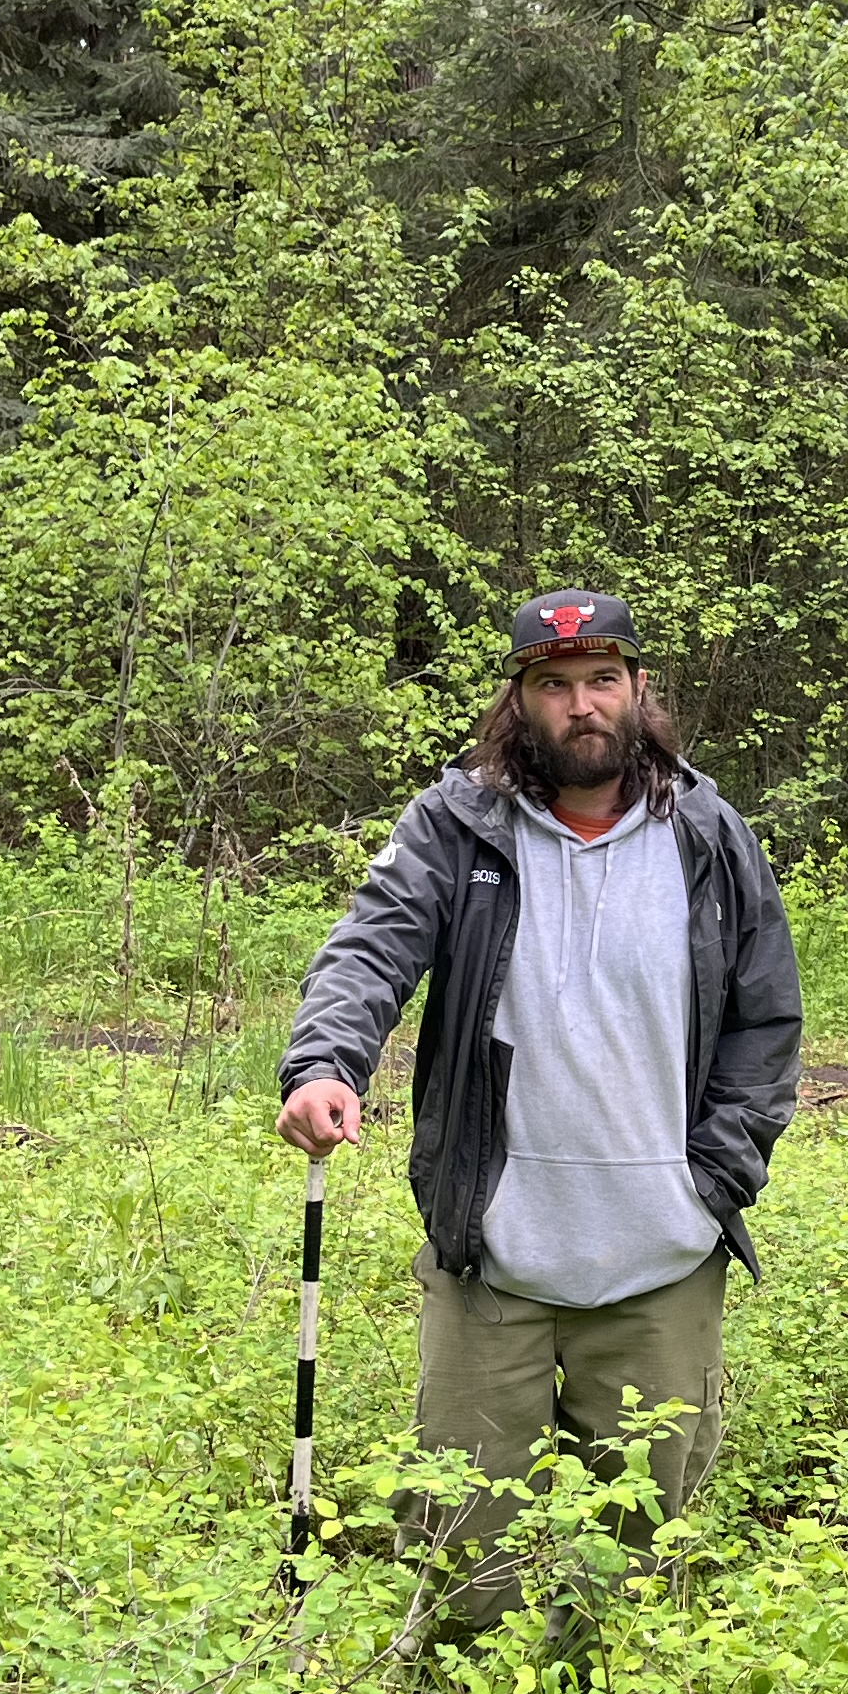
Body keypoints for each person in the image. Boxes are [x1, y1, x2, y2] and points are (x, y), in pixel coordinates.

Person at [277, 590, 801, 1641]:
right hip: (495, 1255)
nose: (581, 706)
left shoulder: (706, 835)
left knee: (641, 1567)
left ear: (640, 690)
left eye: (602, 681)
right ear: (518, 703)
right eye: (552, 686)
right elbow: (372, 945)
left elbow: (765, 1018)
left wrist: (715, 1179)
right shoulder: (456, 824)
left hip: (662, 1259)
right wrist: (326, 1061)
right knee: (471, 1556)